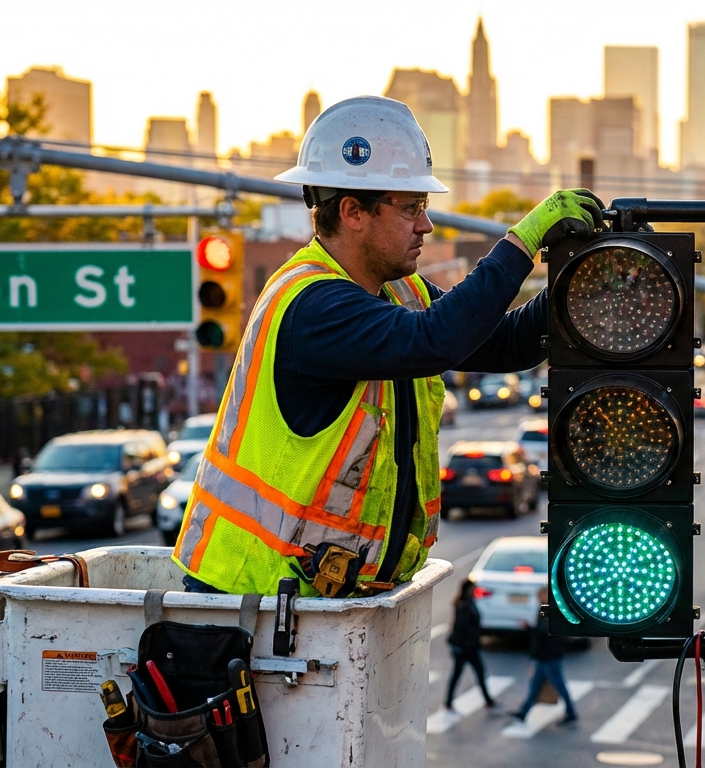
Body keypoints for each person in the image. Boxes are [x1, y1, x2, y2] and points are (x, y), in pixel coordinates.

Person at [171, 96, 604, 597]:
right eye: (411, 208)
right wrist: (522, 241)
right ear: (353, 211)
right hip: (253, 607)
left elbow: (505, 344)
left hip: (324, 608)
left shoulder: (399, 293)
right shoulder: (313, 306)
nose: (427, 225)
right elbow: (436, 340)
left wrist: (582, 284)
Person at [511, 588, 578, 725]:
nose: (538, 598)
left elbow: (544, 631)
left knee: (559, 686)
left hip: (549, 655)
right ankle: (523, 712)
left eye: (540, 595)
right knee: (535, 686)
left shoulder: (550, 609)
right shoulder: (546, 607)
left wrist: (528, 628)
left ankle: (571, 713)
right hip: (544, 655)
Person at [445, 578, 494, 711]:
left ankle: (487, 700)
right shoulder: (463, 606)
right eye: (473, 589)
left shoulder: (469, 602)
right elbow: (461, 628)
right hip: (465, 647)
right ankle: (487, 700)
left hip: (469, 646)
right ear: (468, 590)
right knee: (467, 673)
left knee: (468, 673)